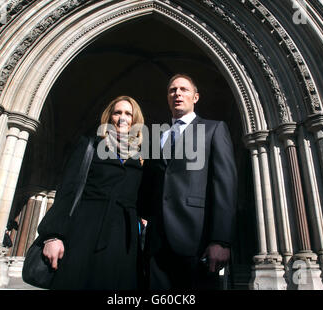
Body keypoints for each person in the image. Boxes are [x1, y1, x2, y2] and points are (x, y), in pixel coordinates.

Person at [138, 74, 238, 289]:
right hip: (156, 244)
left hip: (196, 240)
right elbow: (148, 185)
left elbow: (224, 185)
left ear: (196, 97)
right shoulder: (157, 136)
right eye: (172, 90)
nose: (177, 94)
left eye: (184, 89)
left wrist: (220, 240)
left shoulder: (214, 129)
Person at [37, 95, 145, 290]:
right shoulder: (90, 145)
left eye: (128, 114)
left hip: (123, 241)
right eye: (117, 112)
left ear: (135, 120)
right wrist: (53, 235)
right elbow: (68, 191)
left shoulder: (140, 158)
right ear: (109, 117)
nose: (122, 117)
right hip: (85, 233)